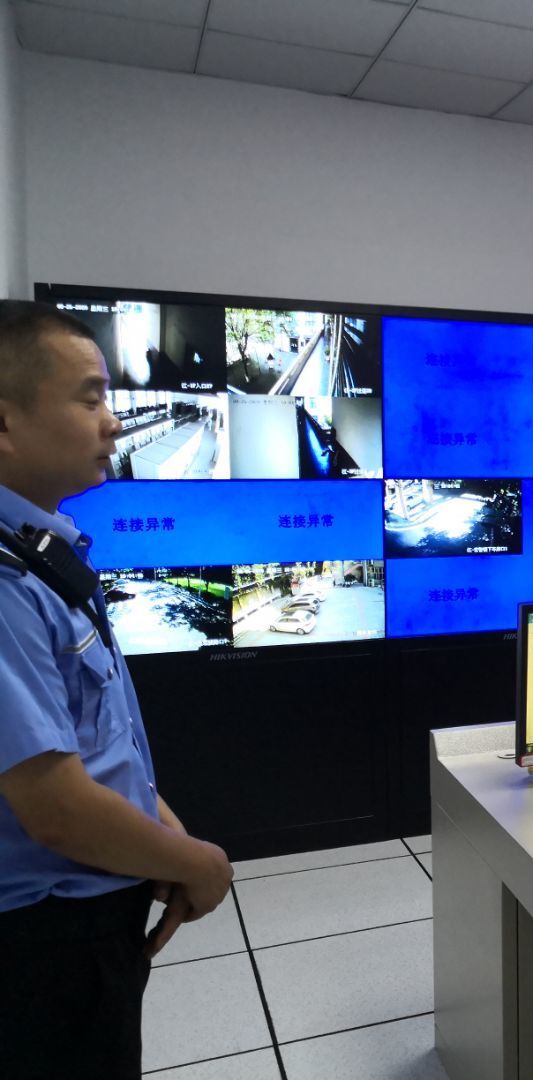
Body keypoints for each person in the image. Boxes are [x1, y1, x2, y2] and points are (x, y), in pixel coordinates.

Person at [0, 301, 234, 1079]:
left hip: (89, 907)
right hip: (47, 940)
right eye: (90, 398)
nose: (113, 421)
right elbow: (55, 806)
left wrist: (156, 829)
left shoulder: (37, 551)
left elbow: (91, 734)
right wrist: (197, 862)